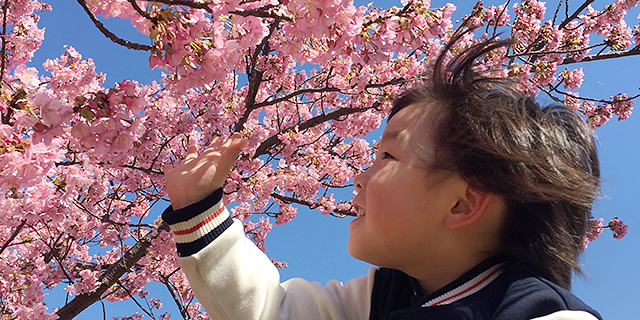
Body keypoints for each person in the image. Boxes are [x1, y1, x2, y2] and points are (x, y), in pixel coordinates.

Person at [162, 29, 603, 320]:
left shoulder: (541, 314)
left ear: (463, 203)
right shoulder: (378, 298)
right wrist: (199, 208)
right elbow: (270, 310)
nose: (360, 177)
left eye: (388, 157)